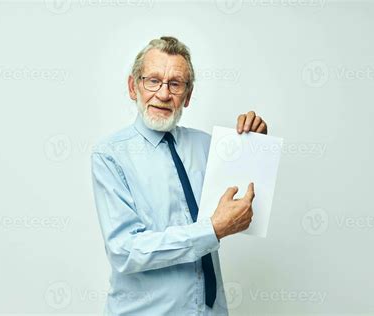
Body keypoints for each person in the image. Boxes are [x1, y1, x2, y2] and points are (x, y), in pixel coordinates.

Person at [91, 36, 268, 315]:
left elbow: (243, 214)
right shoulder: (111, 155)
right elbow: (125, 251)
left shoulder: (208, 147)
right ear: (132, 87)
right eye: (153, 80)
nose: (163, 94)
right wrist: (211, 230)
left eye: (175, 84)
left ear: (187, 95)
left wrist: (255, 149)